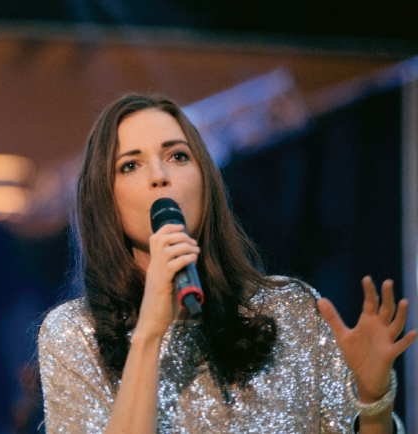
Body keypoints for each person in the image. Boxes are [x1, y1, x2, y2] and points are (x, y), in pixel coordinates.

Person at [37, 93, 416, 433]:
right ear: (105, 198)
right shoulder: (75, 335)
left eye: (177, 156)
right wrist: (149, 333)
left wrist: (373, 402)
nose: (159, 177)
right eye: (130, 165)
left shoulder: (290, 310)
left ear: (205, 180)